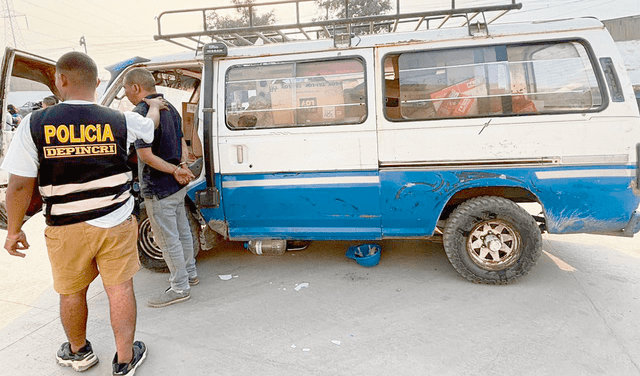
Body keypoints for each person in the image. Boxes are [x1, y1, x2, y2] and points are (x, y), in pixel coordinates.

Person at [2, 51, 165, 375]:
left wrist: (14, 230)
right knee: (119, 288)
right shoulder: (122, 120)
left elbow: (18, 187)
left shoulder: (34, 124)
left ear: (61, 80)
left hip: (65, 226)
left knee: (71, 291)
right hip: (115, 220)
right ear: (98, 81)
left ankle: (79, 353)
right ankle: (123, 358)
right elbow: (150, 128)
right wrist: (155, 107)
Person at [123, 68, 197, 308]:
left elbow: (145, 156)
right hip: (177, 186)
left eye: (125, 89)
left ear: (136, 87)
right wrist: (182, 167)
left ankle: (179, 287)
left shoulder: (142, 112)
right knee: (182, 231)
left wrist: (176, 170)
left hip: (159, 186)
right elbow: (182, 141)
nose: (125, 94)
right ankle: (190, 274)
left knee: (167, 239)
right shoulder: (171, 107)